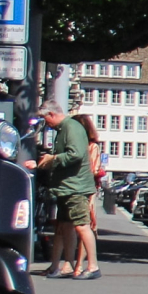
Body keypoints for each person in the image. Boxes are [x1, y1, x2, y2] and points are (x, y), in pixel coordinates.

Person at [33, 103, 99, 279]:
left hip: (75, 187)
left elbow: (75, 154)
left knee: (82, 225)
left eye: (45, 118)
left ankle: (93, 266)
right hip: (66, 187)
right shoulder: (64, 129)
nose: (45, 123)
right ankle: (68, 266)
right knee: (66, 226)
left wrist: (51, 159)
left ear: (52, 114)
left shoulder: (71, 128)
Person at [73, 112, 107, 269]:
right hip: (85, 187)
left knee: (84, 225)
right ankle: (78, 264)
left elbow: (93, 170)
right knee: (82, 226)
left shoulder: (91, 147)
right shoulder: (89, 146)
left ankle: (80, 264)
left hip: (86, 189)